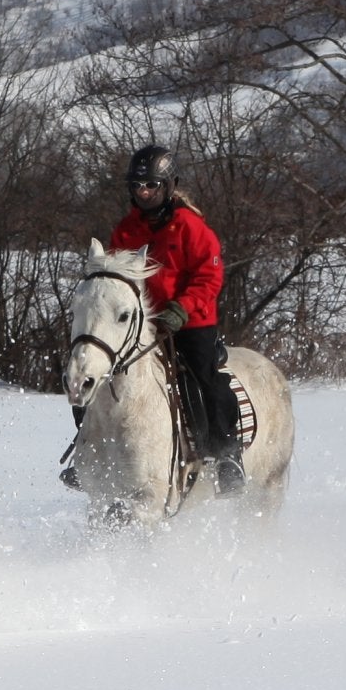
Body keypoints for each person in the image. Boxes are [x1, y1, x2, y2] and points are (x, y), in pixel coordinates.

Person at [88, 145, 244, 493]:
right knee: (94, 374)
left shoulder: (191, 227)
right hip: (143, 323)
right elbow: (117, 279)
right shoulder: (126, 230)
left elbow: (209, 277)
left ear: (169, 185)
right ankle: (87, 453)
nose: (143, 193)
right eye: (138, 186)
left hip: (191, 321)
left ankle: (227, 456)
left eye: (151, 186)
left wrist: (182, 307)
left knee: (204, 379)